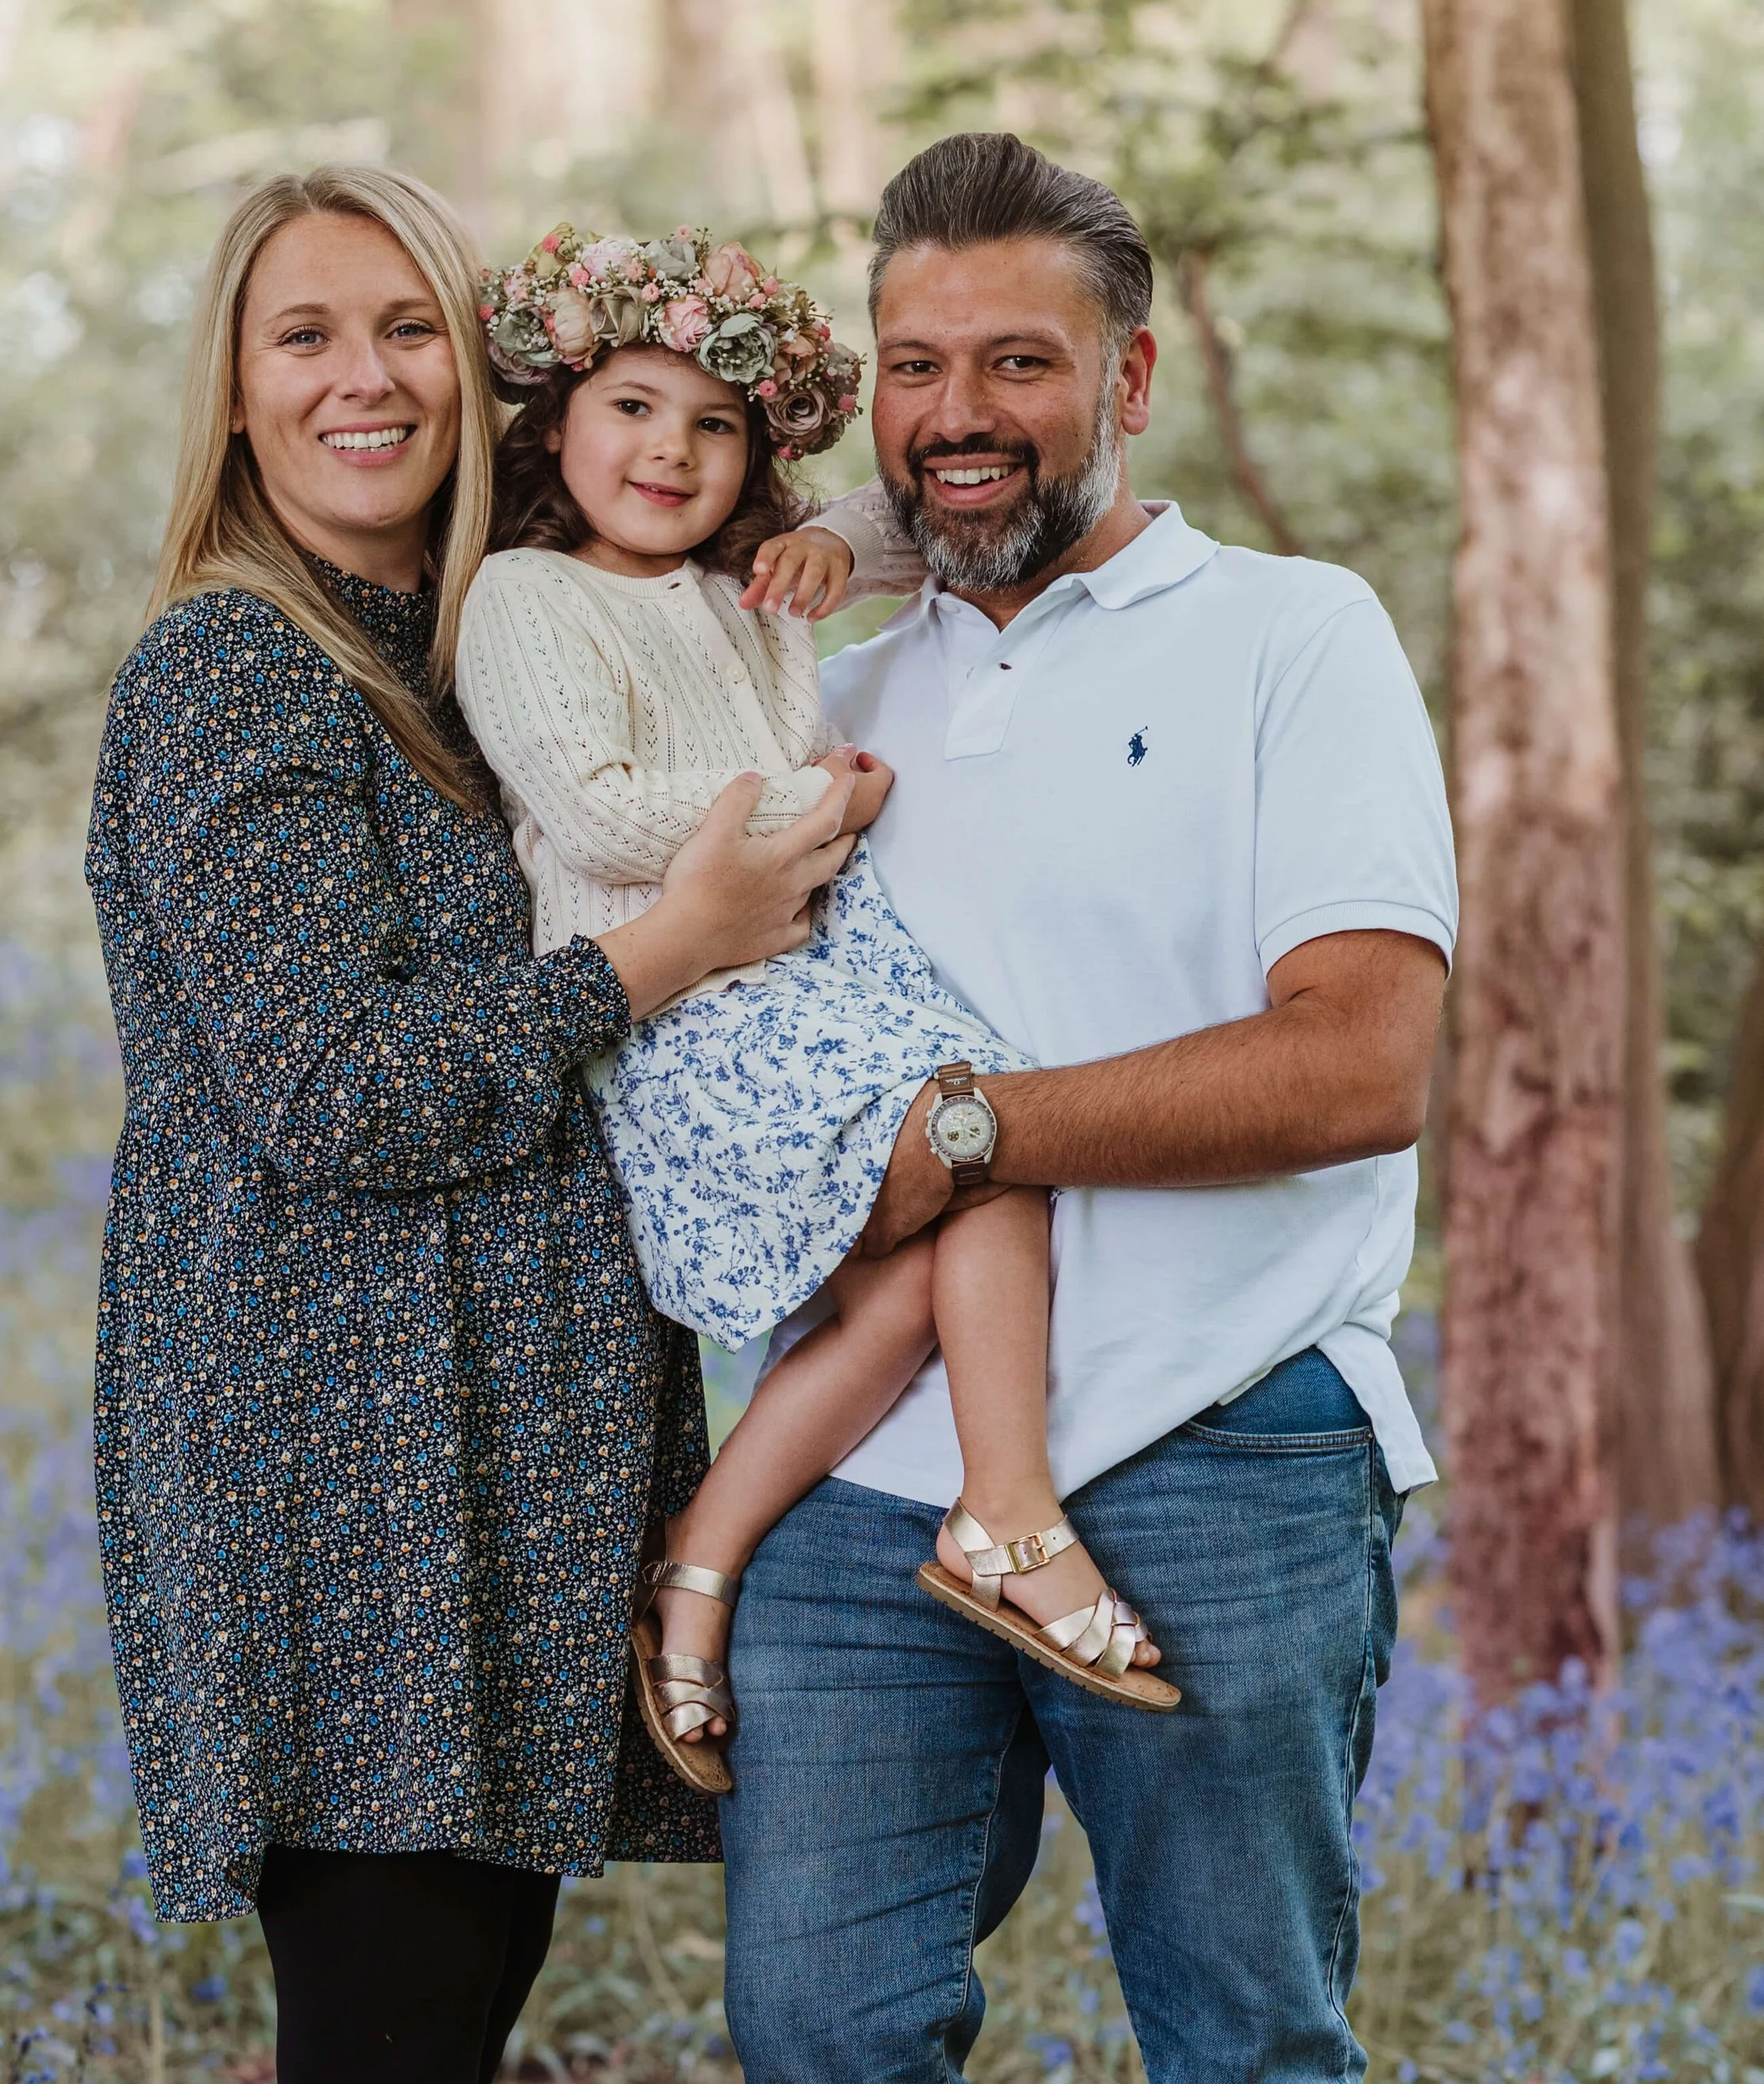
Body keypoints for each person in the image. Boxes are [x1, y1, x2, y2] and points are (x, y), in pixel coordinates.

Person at [85, 165, 859, 2084]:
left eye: (407, 325)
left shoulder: (465, 647)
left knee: (428, 2025)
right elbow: (332, 1092)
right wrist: (667, 950)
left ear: (478, 371)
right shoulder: (231, 667)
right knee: (389, 2032)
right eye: (305, 334)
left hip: (491, 1463)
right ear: (236, 388)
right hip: (345, 1478)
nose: (366, 377)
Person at [717, 132, 1458, 2084]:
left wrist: (969, 1131)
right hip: (862, 1477)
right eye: (911, 365)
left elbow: (1360, 1061)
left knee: (1240, 2045)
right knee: (816, 2038)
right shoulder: (825, 697)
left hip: (1219, 1444)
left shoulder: (1293, 639)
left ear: (1124, 381)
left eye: (1016, 363)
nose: (955, 415)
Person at [453, 226, 1177, 1798]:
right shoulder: (525, 594)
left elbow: (934, 515)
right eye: (633, 408)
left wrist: (831, 545)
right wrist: (813, 798)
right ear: (554, 424)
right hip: (677, 1013)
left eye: (714, 426)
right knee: (979, 1151)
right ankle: (1007, 1513)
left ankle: (718, 1555)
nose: (670, 450)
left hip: (812, 979)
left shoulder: (750, 588)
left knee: (929, 1251)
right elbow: (593, 813)